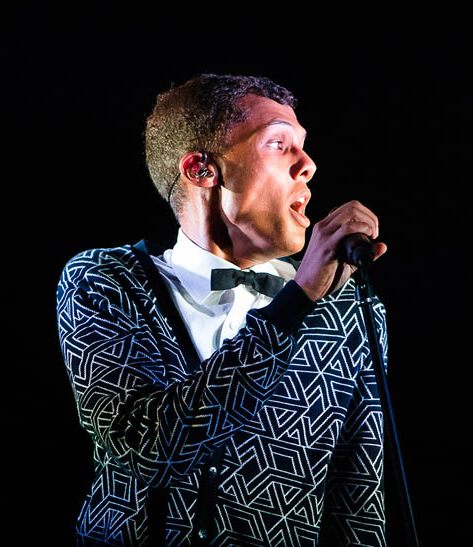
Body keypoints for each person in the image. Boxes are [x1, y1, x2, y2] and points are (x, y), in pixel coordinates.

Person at [56, 74, 389, 546]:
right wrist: (296, 303)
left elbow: (357, 502)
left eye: (304, 146)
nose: (308, 165)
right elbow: (144, 450)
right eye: (279, 144)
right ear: (201, 170)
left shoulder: (346, 305)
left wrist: (307, 297)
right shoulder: (106, 281)